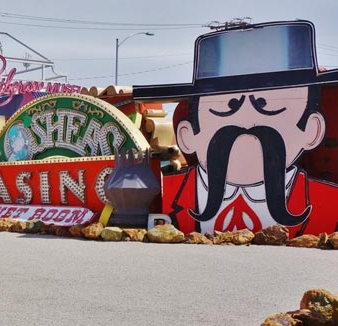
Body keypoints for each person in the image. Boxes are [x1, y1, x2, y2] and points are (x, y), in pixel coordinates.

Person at [134, 20, 338, 237]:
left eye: (268, 108)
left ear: (312, 130)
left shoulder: (326, 200)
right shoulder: (172, 196)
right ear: (187, 135)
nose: (246, 123)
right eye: (225, 110)